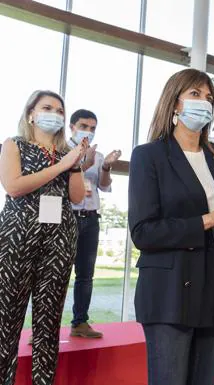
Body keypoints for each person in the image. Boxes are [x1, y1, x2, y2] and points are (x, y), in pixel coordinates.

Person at [128, 68, 214, 385]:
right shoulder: (149, 156)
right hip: (170, 293)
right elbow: (143, 232)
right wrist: (212, 218)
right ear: (174, 104)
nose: (204, 102)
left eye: (209, 97)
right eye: (195, 94)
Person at [0, 90, 86, 385]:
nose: (55, 114)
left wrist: (75, 163)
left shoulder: (68, 154)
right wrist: (61, 166)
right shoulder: (14, 145)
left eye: (60, 110)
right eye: (47, 107)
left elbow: (76, 197)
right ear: (31, 114)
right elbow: (13, 186)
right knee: (6, 321)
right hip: (18, 237)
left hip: (59, 240)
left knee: (48, 324)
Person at [67, 109, 121, 338]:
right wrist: (83, 164)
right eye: (83, 126)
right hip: (66, 218)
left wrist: (106, 166)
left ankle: (80, 322)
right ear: (72, 127)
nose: (87, 131)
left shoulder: (97, 155)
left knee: (86, 275)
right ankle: (44, 328)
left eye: (92, 127)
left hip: (90, 218)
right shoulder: (62, 150)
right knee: (56, 273)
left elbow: (104, 185)